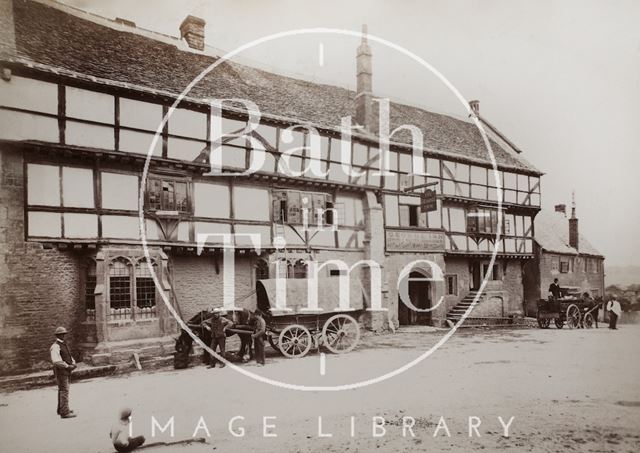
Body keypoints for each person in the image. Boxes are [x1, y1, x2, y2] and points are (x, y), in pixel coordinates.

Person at [50, 326, 77, 418]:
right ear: (58, 335)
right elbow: (56, 361)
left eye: (64, 334)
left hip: (66, 371)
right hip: (61, 372)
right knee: (64, 390)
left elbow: (68, 356)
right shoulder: (55, 346)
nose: (63, 336)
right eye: (61, 334)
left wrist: (73, 363)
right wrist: (67, 366)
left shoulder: (63, 344)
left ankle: (61, 409)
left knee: (63, 390)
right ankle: (65, 412)